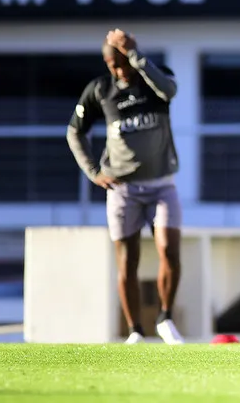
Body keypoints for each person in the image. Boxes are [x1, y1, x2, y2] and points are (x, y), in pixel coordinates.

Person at [67, 29, 184, 345]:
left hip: (161, 184)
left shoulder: (153, 78)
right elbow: (74, 132)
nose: (119, 70)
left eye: (123, 62)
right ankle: (135, 330)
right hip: (122, 189)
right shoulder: (101, 90)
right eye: (112, 64)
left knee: (169, 251)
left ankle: (165, 317)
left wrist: (138, 56)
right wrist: (93, 171)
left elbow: (170, 90)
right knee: (127, 261)